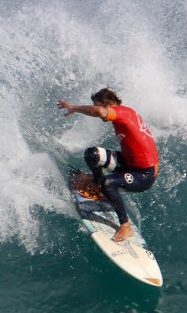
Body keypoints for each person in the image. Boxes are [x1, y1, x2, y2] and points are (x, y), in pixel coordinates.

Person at [57, 88, 158, 242]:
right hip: (129, 163)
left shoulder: (122, 113)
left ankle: (125, 226)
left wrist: (74, 108)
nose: (100, 115)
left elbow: (100, 112)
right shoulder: (125, 113)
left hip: (144, 175)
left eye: (99, 105)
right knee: (92, 155)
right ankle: (97, 186)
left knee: (108, 181)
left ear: (109, 104)